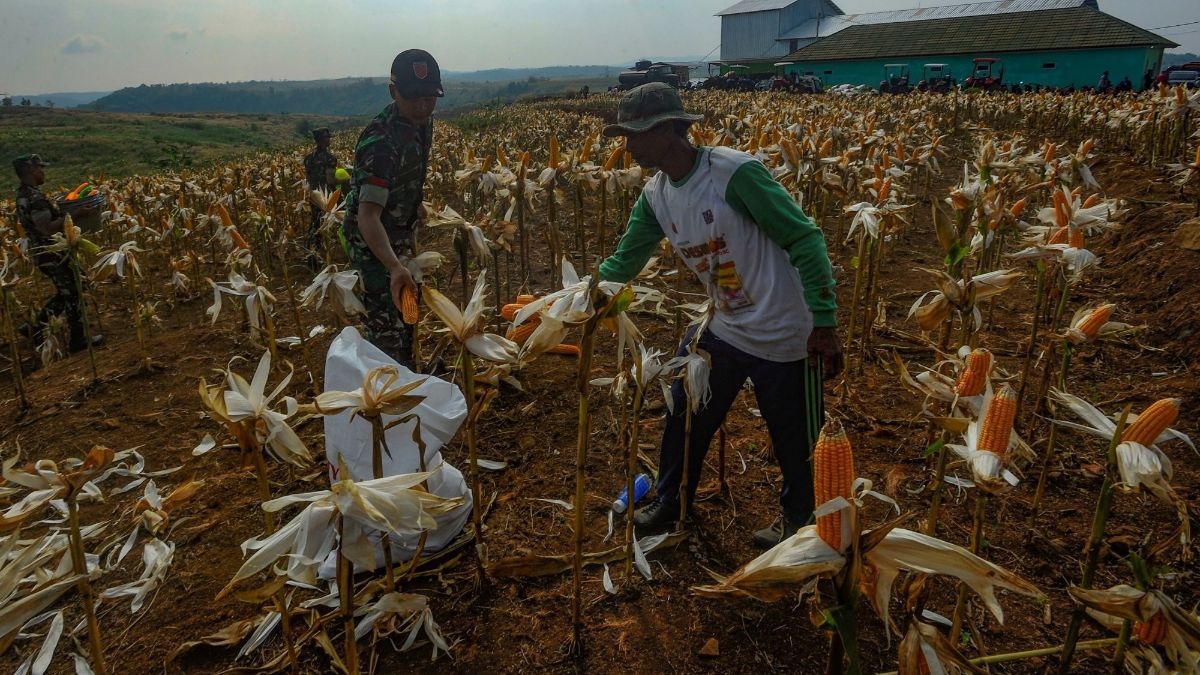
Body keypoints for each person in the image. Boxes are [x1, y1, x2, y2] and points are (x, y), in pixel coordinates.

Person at [596, 83, 842, 547]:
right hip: (726, 324)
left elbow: (804, 238)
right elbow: (624, 261)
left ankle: (801, 523)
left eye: (635, 133)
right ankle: (672, 499)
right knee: (685, 408)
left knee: (796, 438)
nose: (626, 145)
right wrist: (581, 297)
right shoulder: (656, 195)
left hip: (787, 330)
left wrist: (824, 322)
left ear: (669, 129)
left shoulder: (734, 174)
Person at [340, 49, 441, 368]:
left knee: (408, 306)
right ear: (393, 91)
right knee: (385, 321)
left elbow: (410, 171)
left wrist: (415, 203)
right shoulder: (379, 143)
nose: (423, 106)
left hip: (397, 230)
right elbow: (367, 217)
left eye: (430, 97)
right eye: (414, 98)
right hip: (373, 243)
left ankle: (409, 373)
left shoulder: (421, 121)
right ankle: (386, 388)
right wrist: (394, 266)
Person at [13, 153, 102, 354]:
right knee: (74, 291)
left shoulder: (22, 195)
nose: (43, 172)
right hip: (52, 253)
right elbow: (47, 228)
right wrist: (75, 214)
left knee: (71, 289)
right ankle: (78, 340)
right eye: (40, 168)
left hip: (47, 253)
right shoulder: (34, 198)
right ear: (31, 171)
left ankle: (35, 325)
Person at [303, 127, 339, 268]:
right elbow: (331, 180)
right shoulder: (330, 159)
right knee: (324, 223)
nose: (329, 140)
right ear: (323, 140)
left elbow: (308, 177)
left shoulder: (308, 159)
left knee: (315, 222)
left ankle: (312, 250)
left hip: (313, 195)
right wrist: (344, 179)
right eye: (327, 138)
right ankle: (317, 255)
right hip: (326, 197)